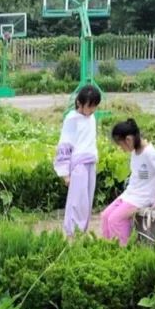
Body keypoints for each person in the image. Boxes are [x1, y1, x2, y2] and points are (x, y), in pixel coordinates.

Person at [99, 118, 155, 247]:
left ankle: (123, 249)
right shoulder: (135, 152)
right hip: (131, 194)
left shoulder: (149, 153)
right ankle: (109, 249)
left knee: (115, 219)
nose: (121, 148)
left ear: (128, 140)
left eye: (120, 144)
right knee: (105, 216)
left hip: (143, 197)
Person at [53, 85, 101, 239]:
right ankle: (72, 233)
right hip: (78, 164)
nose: (92, 109)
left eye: (95, 106)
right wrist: (65, 174)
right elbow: (65, 145)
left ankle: (82, 232)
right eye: (90, 105)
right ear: (80, 103)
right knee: (77, 201)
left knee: (87, 200)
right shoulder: (71, 119)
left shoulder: (92, 118)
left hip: (90, 162)